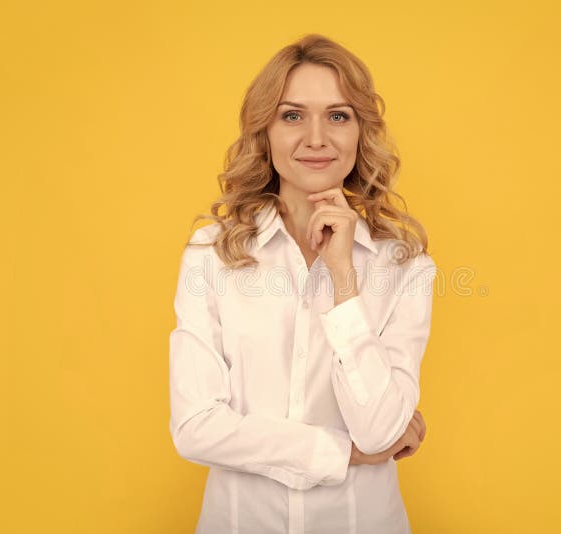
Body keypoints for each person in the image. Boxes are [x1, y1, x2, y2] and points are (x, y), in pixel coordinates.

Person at [169, 33, 437, 534]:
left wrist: (343, 278)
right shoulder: (211, 254)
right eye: (292, 115)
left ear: (361, 132)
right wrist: (340, 451)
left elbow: (379, 431)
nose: (317, 138)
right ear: (264, 130)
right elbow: (195, 428)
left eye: (338, 116)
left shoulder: (404, 264)